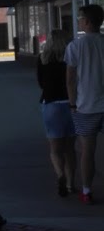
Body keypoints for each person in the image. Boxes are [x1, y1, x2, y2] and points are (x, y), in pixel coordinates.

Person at [65, 3, 104, 204]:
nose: (79, 21)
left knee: (87, 151)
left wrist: (72, 104)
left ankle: (87, 191)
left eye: (80, 18)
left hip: (85, 107)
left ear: (87, 22)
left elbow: (70, 79)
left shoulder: (75, 46)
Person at [37, 29, 76, 197]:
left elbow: (41, 83)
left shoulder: (42, 59)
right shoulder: (70, 58)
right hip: (71, 105)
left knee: (55, 149)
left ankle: (60, 175)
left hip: (50, 105)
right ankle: (70, 184)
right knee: (70, 149)